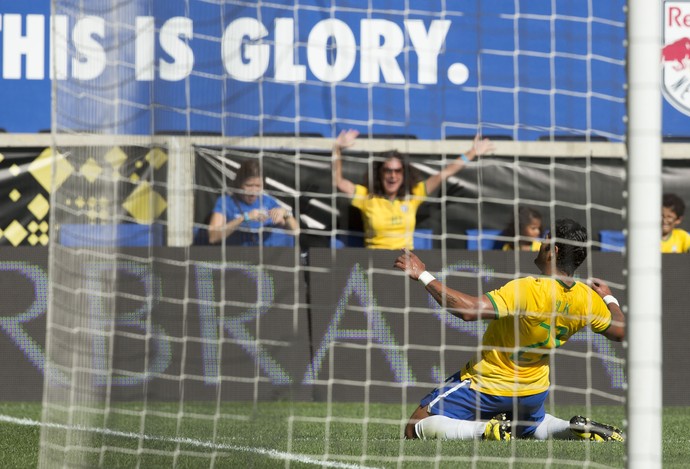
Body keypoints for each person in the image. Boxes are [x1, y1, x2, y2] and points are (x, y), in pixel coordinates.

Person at [393, 218, 625, 442]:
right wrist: (608, 297)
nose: (540, 244)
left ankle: (485, 431)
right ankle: (570, 428)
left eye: (545, 239)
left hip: (488, 384)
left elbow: (469, 311)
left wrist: (422, 274)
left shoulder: (528, 289)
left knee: (415, 427)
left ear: (553, 250)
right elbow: (619, 331)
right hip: (533, 392)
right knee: (533, 426)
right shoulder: (587, 298)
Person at [333, 130, 495, 250]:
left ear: (404, 174)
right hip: (375, 261)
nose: (392, 176)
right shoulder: (366, 197)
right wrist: (337, 149)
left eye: (397, 171)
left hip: (406, 261)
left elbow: (444, 173)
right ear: (379, 173)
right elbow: (338, 181)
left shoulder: (413, 195)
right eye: (388, 170)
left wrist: (472, 152)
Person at [208, 159, 298, 246]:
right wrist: (244, 218)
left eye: (258, 186)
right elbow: (213, 237)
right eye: (249, 185)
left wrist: (285, 214)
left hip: (268, 256)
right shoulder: (226, 202)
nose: (254, 191)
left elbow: (295, 231)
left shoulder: (268, 202)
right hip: (239, 257)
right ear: (239, 183)